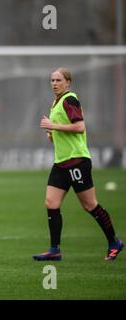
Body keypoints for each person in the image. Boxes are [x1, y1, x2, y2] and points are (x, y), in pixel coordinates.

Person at [33, 67, 123, 261]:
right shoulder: (55, 103)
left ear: (68, 82)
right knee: (51, 203)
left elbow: (79, 126)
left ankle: (114, 242)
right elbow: (63, 132)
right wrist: (52, 134)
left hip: (77, 161)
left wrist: (53, 126)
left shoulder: (69, 99)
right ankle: (54, 250)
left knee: (90, 205)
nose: (54, 83)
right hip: (61, 163)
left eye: (58, 80)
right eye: (52, 80)